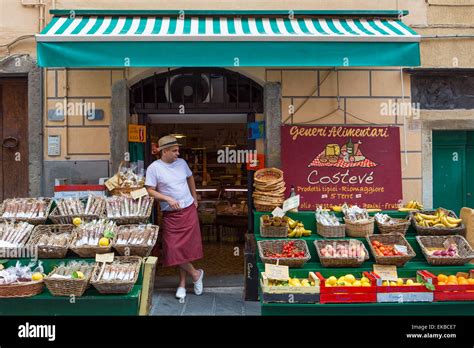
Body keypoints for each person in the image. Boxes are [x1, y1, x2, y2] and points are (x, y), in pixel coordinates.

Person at [145, 135, 204, 300]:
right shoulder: (154, 168)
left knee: (185, 250)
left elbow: (190, 177)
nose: (178, 153)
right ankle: (196, 274)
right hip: (171, 214)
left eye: (178, 150)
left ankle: (182, 285)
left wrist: (195, 197)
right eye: (175, 150)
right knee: (173, 250)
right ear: (164, 151)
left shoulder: (182, 163)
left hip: (188, 210)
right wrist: (168, 199)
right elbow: (149, 190)